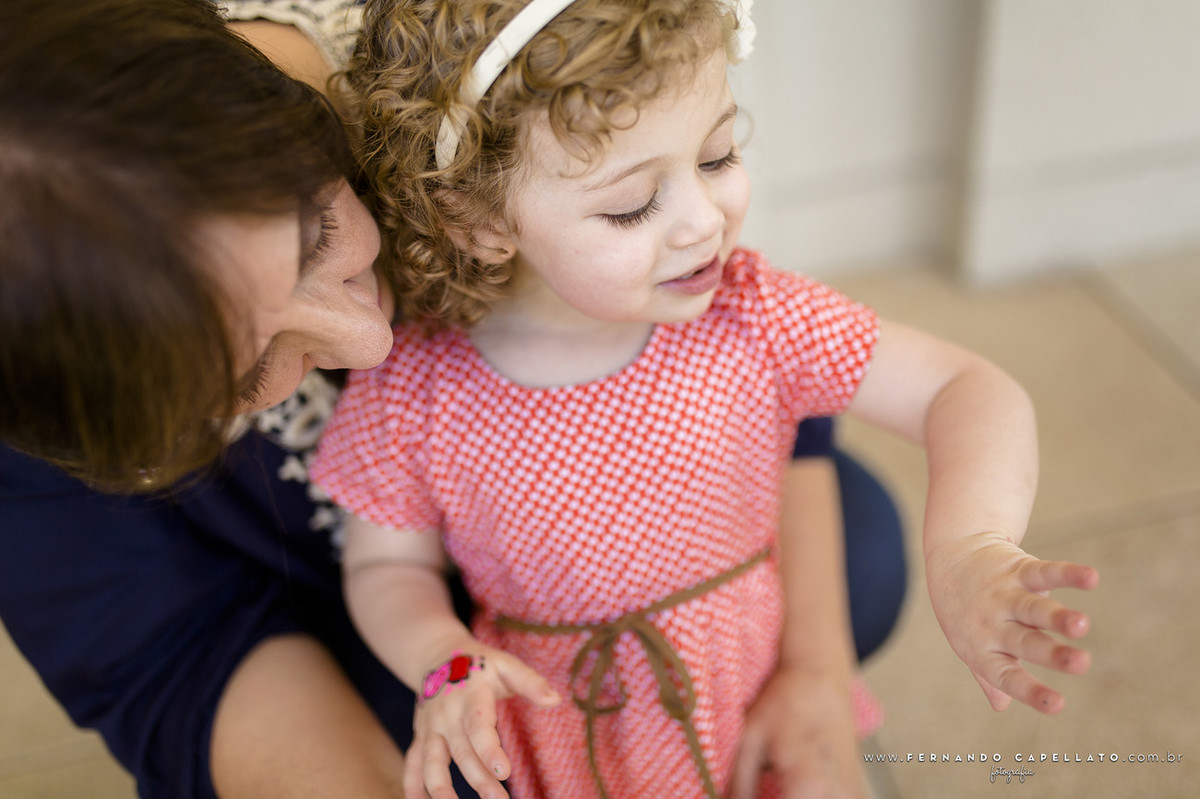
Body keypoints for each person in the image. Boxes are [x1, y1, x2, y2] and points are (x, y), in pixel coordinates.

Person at [0, 1, 905, 797]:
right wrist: (442, 671)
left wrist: (814, 662)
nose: (373, 346)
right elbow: (173, 656)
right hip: (389, 632)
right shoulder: (40, 383)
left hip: (584, 570)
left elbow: (746, 350)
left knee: (854, 549)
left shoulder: (475, 80)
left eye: (321, 229)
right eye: (246, 377)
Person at [308, 1, 1100, 798]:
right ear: (479, 220)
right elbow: (386, 565)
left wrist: (969, 543)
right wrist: (444, 660)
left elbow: (964, 388)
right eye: (630, 205)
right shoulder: (418, 388)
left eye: (717, 154)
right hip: (562, 746)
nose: (702, 221)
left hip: (758, 713)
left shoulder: (755, 317)